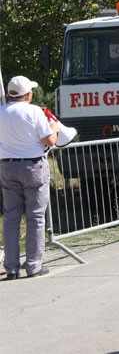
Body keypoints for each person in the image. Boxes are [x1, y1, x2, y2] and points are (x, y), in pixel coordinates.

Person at [0, 76, 59, 279]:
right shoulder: (34, 111)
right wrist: (56, 128)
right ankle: (33, 265)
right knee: (35, 217)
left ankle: (11, 267)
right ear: (29, 94)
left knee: (10, 217)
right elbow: (50, 140)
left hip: (7, 166)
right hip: (33, 165)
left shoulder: (1, 112)